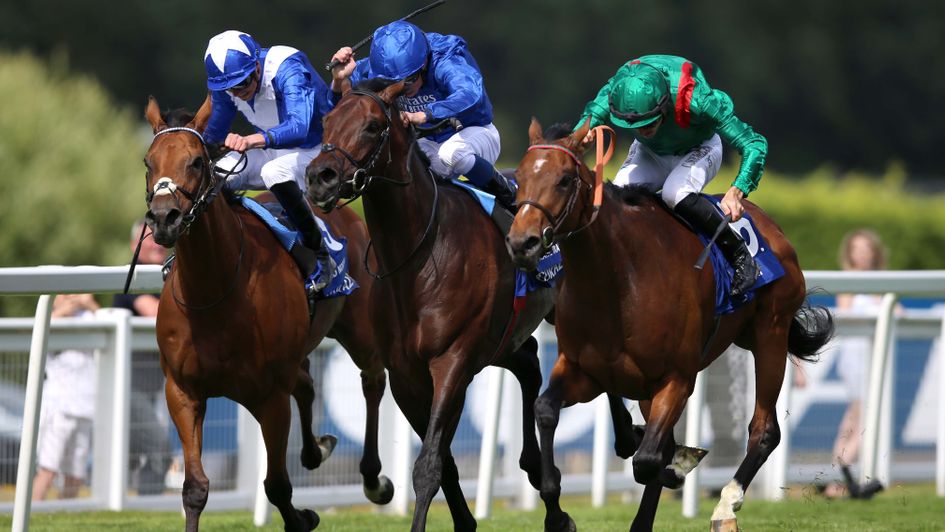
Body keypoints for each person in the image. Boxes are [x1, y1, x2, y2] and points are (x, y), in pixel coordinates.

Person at [576, 55, 767, 296]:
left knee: (674, 192)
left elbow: (754, 143)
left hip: (700, 148)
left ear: (664, 103)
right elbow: (584, 124)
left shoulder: (696, 97)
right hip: (651, 152)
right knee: (616, 196)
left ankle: (739, 255)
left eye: (650, 121)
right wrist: (581, 136)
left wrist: (737, 190)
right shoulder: (616, 92)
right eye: (635, 125)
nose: (643, 130)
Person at [328, 21, 517, 208]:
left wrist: (426, 114)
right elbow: (339, 113)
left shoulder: (446, 59)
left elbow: (470, 94)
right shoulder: (378, 68)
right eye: (392, 84)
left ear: (424, 62)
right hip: (427, 144)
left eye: (410, 80)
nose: (404, 89)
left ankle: (508, 194)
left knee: (452, 153)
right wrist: (339, 81)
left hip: (474, 133)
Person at [203, 30, 333, 289]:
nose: (236, 93)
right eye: (228, 88)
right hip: (271, 149)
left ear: (257, 66)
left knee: (274, 172)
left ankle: (321, 254)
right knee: (212, 175)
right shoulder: (229, 85)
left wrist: (251, 140)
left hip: (317, 149)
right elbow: (214, 134)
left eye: (241, 84)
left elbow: (299, 126)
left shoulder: (287, 67)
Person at [822, 228, 888, 499]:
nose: (862, 254)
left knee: (853, 419)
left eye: (867, 249)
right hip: (856, 359)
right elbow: (847, 313)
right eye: (857, 249)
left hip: (872, 358)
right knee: (866, 418)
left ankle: (834, 483)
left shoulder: (881, 282)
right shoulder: (848, 282)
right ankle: (845, 472)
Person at [112, 220, 171, 495]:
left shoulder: (167, 276)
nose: (157, 241)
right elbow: (158, 314)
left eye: (159, 235)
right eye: (149, 237)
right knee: (159, 447)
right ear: (135, 245)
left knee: (131, 455)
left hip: (153, 387)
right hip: (126, 386)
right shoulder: (132, 276)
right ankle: (150, 506)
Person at [32, 294, 99, 500]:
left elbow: (112, 322)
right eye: (64, 295)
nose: (70, 298)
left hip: (86, 409)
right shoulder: (50, 318)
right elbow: (37, 328)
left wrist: (90, 304)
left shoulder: (88, 318)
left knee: (76, 474)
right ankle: (32, 511)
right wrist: (62, 312)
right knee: (48, 469)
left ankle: (64, 515)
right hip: (58, 409)